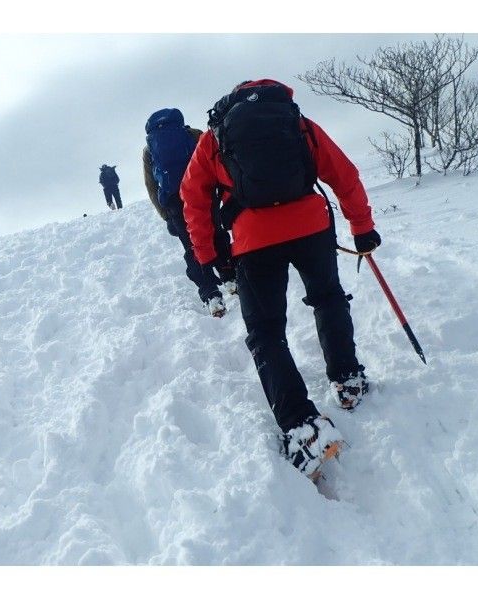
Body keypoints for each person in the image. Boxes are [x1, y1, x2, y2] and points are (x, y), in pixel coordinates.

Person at [180, 79, 381, 479]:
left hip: (254, 241)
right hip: (311, 227)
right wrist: (361, 225)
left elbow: (194, 198)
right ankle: (347, 378)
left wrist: (208, 256)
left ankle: (301, 426)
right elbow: (343, 172)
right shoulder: (296, 121)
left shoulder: (214, 137)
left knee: (267, 332)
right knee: (327, 297)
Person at [143, 107, 236, 317]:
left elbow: (151, 184)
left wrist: (165, 214)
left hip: (174, 199)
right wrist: (224, 192)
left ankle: (210, 293)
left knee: (191, 243)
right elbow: (216, 160)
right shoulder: (193, 134)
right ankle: (229, 275)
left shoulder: (149, 149)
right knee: (215, 231)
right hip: (203, 190)